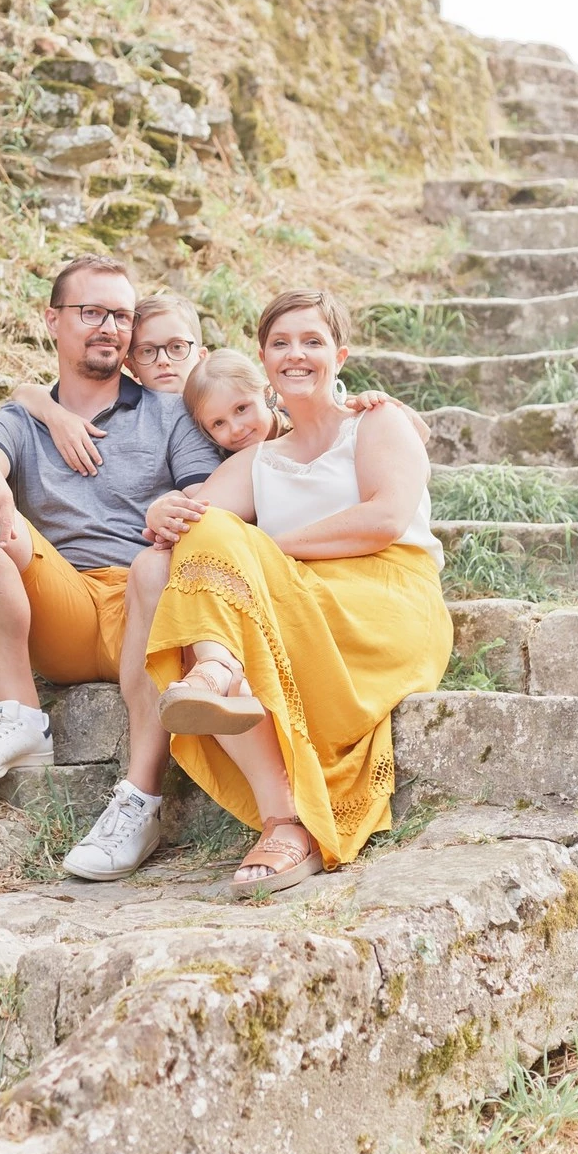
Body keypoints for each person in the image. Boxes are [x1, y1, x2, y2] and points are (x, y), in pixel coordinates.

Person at [142, 287, 453, 898]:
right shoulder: (260, 460)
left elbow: (386, 519)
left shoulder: (378, 421)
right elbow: (190, 523)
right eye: (281, 343)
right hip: (304, 599)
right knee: (204, 536)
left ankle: (222, 675)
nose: (297, 354)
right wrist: (161, 507)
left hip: (389, 596)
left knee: (233, 572)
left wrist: (270, 551)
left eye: (312, 341)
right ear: (264, 360)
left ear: (340, 353)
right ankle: (279, 811)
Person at [0, 256, 221, 890]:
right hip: (62, 603)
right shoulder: (25, 418)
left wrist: (174, 509)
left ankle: (138, 806)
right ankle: (19, 715)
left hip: (145, 602)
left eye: (119, 314)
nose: (107, 326)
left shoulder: (170, 413)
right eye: (91, 311)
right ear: (53, 321)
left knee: (161, 561)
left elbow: (211, 498)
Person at [11, 295, 207, 475]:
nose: (163, 360)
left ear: (202, 357)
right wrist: (55, 415)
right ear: (132, 367)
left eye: (177, 347)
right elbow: (24, 392)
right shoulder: (132, 413)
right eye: (147, 351)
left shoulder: (222, 394)